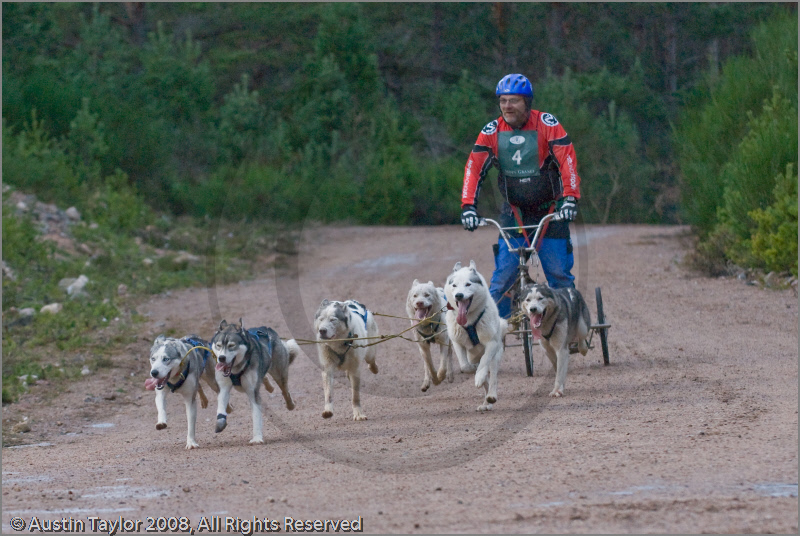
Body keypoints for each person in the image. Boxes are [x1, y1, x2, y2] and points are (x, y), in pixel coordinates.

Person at [459, 73, 582, 319]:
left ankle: (568, 325)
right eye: (503, 100)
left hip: (550, 212)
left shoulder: (547, 124)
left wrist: (570, 199)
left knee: (558, 274)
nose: (507, 106)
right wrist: (468, 207)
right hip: (514, 212)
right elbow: (474, 168)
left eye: (514, 100)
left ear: (527, 102)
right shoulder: (491, 131)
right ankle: (497, 331)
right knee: (503, 277)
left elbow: (567, 160)